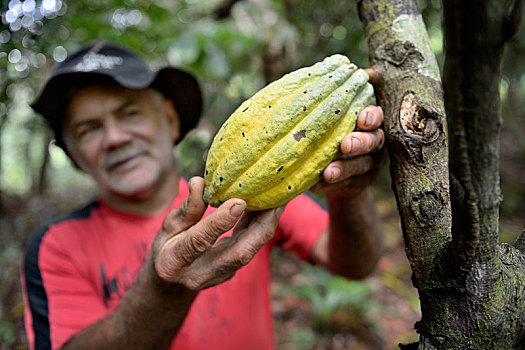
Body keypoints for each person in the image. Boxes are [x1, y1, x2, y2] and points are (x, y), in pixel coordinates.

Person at [21, 41, 386, 350]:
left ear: (170, 119)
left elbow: (355, 265)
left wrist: (348, 192)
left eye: (129, 113)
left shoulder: (256, 193)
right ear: (73, 157)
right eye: (89, 129)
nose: (115, 138)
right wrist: (162, 291)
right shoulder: (55, 246)